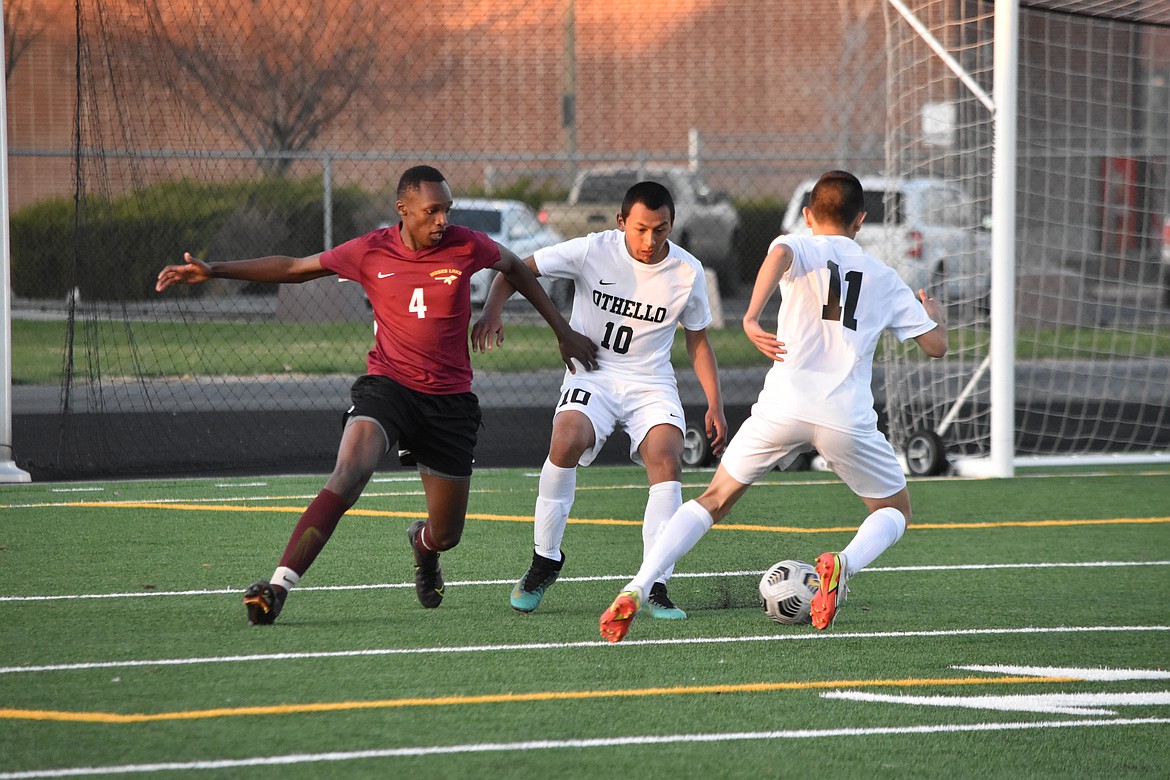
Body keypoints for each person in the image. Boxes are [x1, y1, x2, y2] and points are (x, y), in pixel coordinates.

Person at [155, 165, 598, 625]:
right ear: (402, 210)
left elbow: (513, 267)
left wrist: (533, 323)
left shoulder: (467, 244)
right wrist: (214, 270)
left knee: (446, 534)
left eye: (446, 209)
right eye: (432, 211)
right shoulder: (370, 250)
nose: (442, 220)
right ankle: (278, 585)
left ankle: (422, 547)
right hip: (388, 387)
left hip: (449, 403)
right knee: (350, 471)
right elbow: (294, 267)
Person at [598, 170, 949, 642]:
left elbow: (781, 251)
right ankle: (842, 566)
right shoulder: (885, 277)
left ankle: (639, 584)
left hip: (783, 405)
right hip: (844, 416)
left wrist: (749, 314)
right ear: (861, 221)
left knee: (714, 498)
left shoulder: (797, 246)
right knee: (895, 509)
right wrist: (934, 317)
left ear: (807, 215)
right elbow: (935, 347)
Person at [472, 180, 728, 620]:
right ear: (621, 222)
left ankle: (655, 583)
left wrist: (715, 403)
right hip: (593, 374)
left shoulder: (687, 272)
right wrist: (492, 309)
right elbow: (516, 267)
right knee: (565, 438)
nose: (651, 241)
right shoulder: (593, 249)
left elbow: (698, 342)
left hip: (651, 382)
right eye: (642, 229)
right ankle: (545, 559)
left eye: (662, 230)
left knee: (667, 459)